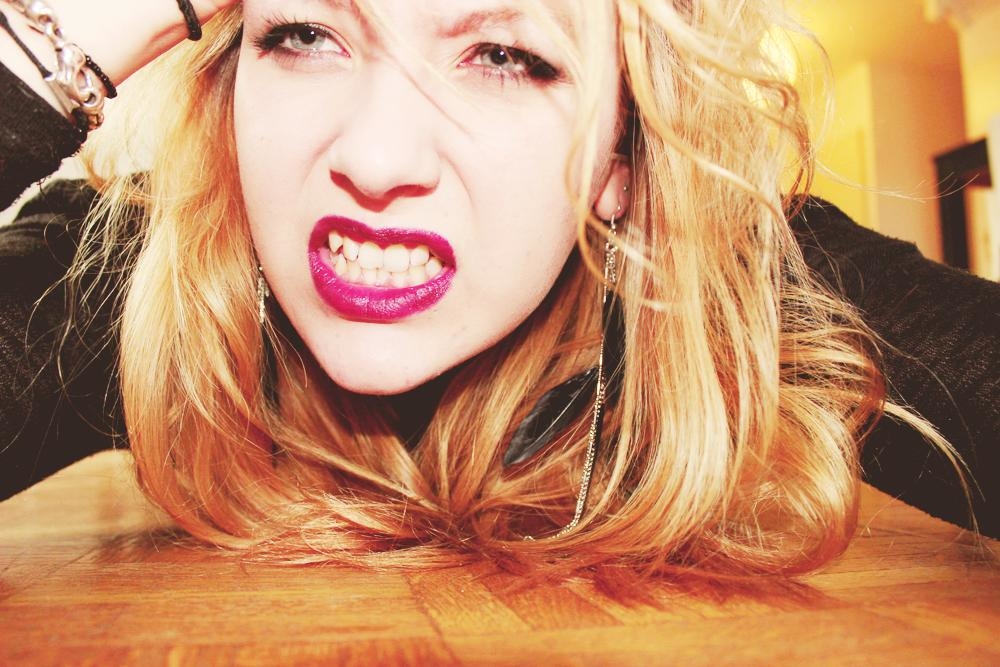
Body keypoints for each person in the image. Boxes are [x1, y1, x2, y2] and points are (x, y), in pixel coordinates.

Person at [0, 0, 996, 582]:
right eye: (303, 32)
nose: (377, 156)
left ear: (622, 153)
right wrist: (62, 36)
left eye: (505, 58)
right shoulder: (138, 274)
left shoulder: (740, 283)